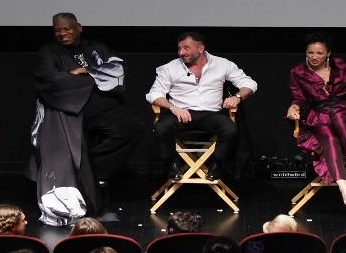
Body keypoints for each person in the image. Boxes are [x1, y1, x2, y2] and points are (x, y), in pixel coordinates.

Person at [28, 13, 144, 220]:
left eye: (67, 29)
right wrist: (93, 76)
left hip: (102, 105)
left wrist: (84, 72)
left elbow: (116, 71)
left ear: (79, 27)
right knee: (71, 146)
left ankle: (94, 170)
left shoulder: (96, 47)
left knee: (132, 128)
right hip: (69, 110)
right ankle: (83, 180)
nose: (62, 34)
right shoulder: (48, 52)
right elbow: (51, 80)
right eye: (57, 30)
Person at [286, 32, 346, 206]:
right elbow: (299, 99)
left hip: (345, 111)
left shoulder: (342, 68)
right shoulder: (297, 72)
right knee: (329, 138)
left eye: (319, 53)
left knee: (339, 116)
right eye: (310, 53)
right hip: (319, 115)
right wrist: (293, 107)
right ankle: (343, 187)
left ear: (328, 53)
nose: (314, 57)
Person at [146, 32, 257, 182]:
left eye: (186, 48)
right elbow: (154, 94)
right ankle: (173, 165)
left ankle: (217, 165)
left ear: (200, 49)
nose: (181, 52)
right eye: (179, 49)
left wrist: (237, 97)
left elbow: (249, 84)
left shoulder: (222, 64)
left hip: (211, 114)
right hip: (181, 113)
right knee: (160, 128)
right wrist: (172, 107)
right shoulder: (169, 68)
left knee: (230, 129)